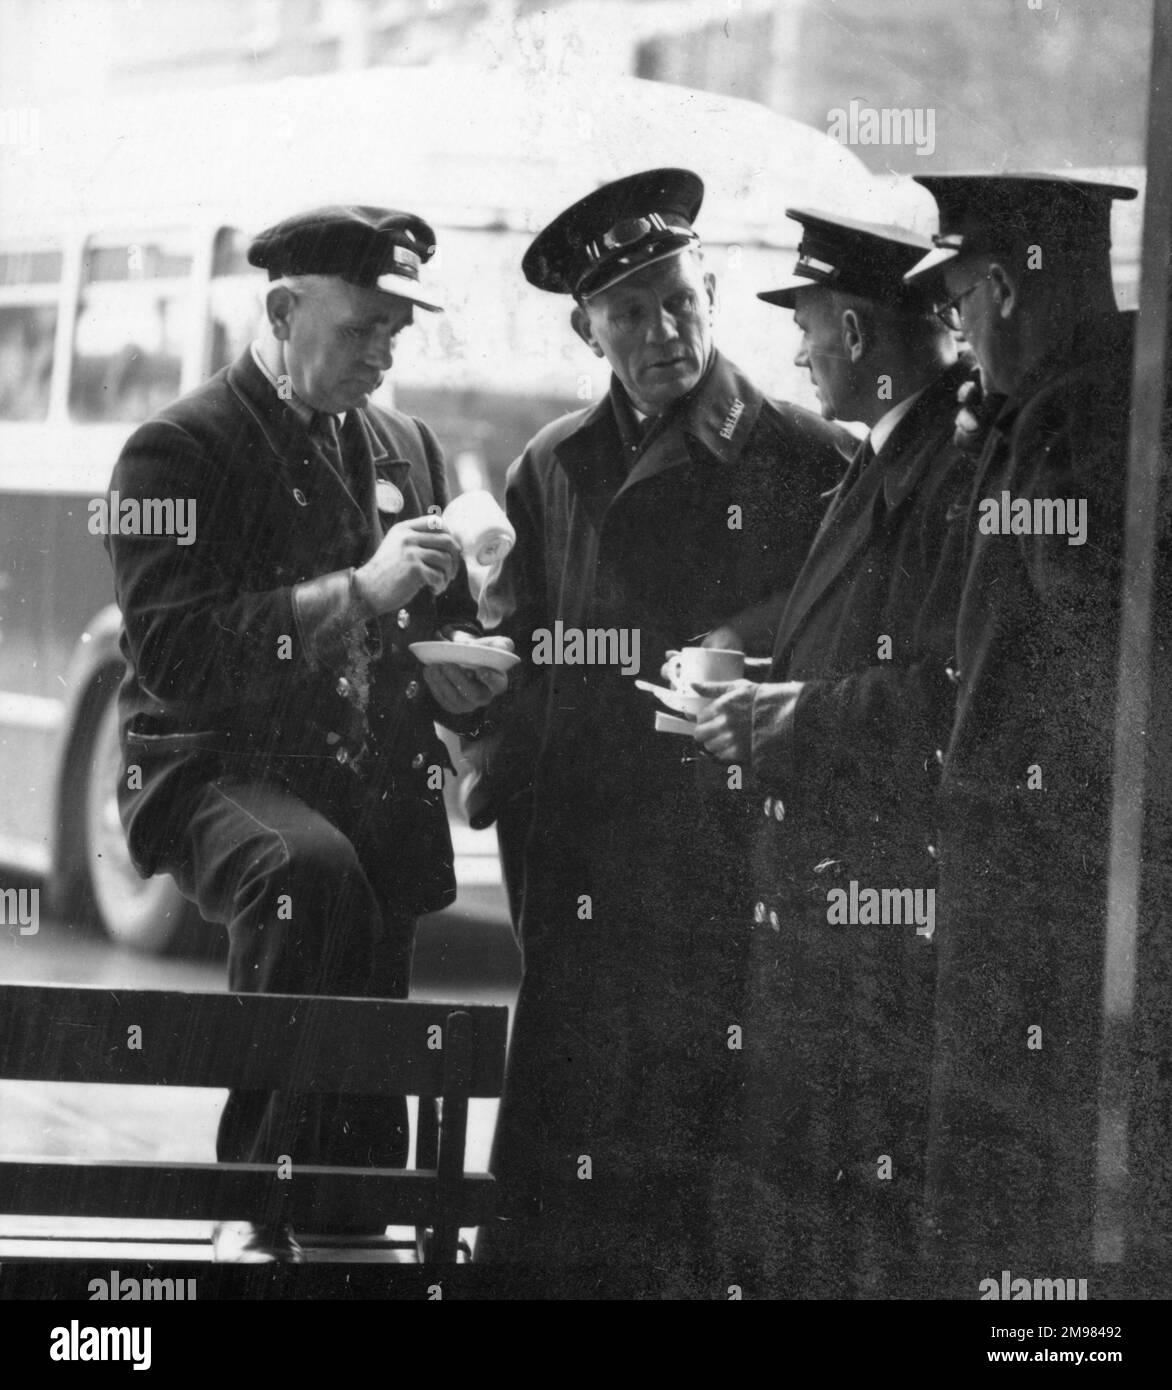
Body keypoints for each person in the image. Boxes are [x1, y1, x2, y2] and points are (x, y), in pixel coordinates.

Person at [104, 205, 510, 1263]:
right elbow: (174, 657)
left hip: (358, 778)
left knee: (380, 877)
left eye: (396, 334)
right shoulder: (176, 451)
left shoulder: (402, 445)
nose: (382, 356)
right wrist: (356, 592)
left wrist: (463, 680)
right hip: (207, 768)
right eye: (361, 329)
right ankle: (261, 1204)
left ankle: (348, 1217)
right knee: (308, 872)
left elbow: (418, 623)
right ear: (283, 311)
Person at [471, 168, 849, 1291]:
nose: (660, 332)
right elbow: (527, 657)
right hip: (578, 860)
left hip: (723, 858)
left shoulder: (807, 455)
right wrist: (487, 743)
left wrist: (745, 636)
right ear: (587, 330)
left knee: (695, 1163)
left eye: (677, 300)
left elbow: (847, 631)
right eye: (627, 313)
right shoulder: (551, 465)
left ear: (713, 291)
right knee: (565, 1146)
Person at [691, 209, 981, 1296]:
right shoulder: (901, 450)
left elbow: (941, 691)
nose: (797, 350)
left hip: (876, 908)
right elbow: (853, 621)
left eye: (806, 326)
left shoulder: (946, 464)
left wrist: (777, 719)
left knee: (851, 1208)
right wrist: (742, 650)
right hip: (836, 898)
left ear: (857, 332)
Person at [901, 173, 1170, 1291]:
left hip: (1046, 871)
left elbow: (1095, 636)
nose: (957, 338)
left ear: (1004, 288)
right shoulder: (1100, 393)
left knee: (1016, 1190)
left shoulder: (1070, 418)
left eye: (958, 305)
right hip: (1063, 860)